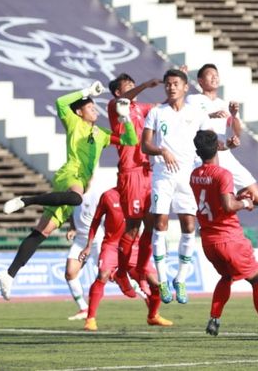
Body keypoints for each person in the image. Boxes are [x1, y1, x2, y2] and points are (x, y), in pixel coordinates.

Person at [0, 82, 138, 300]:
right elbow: (61, 102)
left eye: (94, 107)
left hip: (77, 183)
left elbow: (131, 140)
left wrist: (126, 118)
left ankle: (9, 274)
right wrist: (87, 92)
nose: (94, 110)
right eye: (90, 107)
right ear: (80, 112)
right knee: (76, 198)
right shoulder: (74, 122)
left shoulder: (101, 134)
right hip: (69, 175)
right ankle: (26, 201)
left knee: (42, 232)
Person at [189, 130, 258, 340]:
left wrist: (236, 197)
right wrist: (245, 202)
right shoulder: (223, 174)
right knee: (257, 279)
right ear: (218, 147)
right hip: (229, 238)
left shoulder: (194, 175)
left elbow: (218, 201)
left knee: (226, 276)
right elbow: (228, 206)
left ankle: (215, 317)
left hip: (209, 241)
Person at [141, 68, 213, 304]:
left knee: (189, 225)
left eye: (175, 84)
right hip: (162, 174)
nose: (171, 87)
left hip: (188, 176)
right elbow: (145, 145)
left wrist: (227, 142)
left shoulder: (197, 113)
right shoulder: (156, 112)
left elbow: (209, 141)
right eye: (167, 84)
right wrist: (162, 150)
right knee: (160, 222)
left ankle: (180, 279)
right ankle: (162, 280)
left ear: (185, 87)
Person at [78, 187, 172, 331]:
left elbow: (152, 222)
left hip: (134, 247)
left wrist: (160, 243)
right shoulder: (108, 196)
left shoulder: (141, 194)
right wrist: (88, 246)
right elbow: (96, 220)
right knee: (102, 275)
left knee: (155, 283)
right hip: (112, 246)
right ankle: (90, 319)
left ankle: (153, 316)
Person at [106, 73, 161, 299]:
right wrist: (145, 84)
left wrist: (179, 85)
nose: (132, 87)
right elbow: (124, 100)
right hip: (130, 172)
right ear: (119, 92)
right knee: (133, 226)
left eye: (133, 83)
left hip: (148, 169)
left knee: (153, 223)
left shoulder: (142, 107)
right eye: (127, 86)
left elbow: (163, 107)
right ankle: (120, 272)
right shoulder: (115, 107)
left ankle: (138, 268)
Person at [186, 64, 258, 206]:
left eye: (216, 74)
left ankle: (236, 201)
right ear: (200, 81)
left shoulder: (224, 104)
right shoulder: (193, 99)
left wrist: (234, 115)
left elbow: (237, 132)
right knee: (214, 202)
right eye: (210, 74)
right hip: (205, 157)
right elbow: (190, 120)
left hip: (225, 154)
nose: (215, 77)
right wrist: (210, 115)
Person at [63, 192, 102, 320]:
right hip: (80, 240)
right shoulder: (73, 196)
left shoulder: (95, 195)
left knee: (113, 275)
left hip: (97, 240)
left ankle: (145, 294)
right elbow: (72, 214)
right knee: (70, 273)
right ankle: (83, 308)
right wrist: (73, 228)